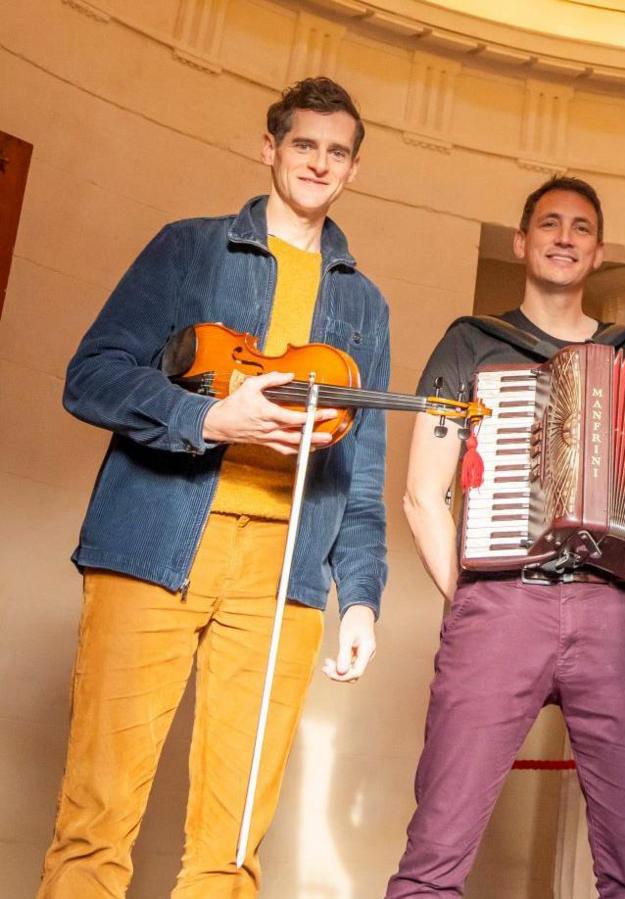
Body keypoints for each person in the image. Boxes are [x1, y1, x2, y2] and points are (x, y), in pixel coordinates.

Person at [38, 77, 388, 898]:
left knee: (231, 846)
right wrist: (206, 422)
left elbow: (362, 470)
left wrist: (362, 597)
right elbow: (91, 376)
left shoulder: (365, 302)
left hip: (283, 575)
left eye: (337, 152)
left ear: (354, 170)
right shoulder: (186, 247)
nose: (319, 163)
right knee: (97, 816)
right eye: (304, 144)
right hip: (154, 541)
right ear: (270, 148)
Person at [388, 176, 625, 898]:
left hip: (613, 609)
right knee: (435, 856)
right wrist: (472, 598)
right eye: (549, 223)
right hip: (500, 603)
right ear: (522, 241)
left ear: (598, 252)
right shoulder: (473, 343)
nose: (564, 237)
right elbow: (423, 491)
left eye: (580, 227)